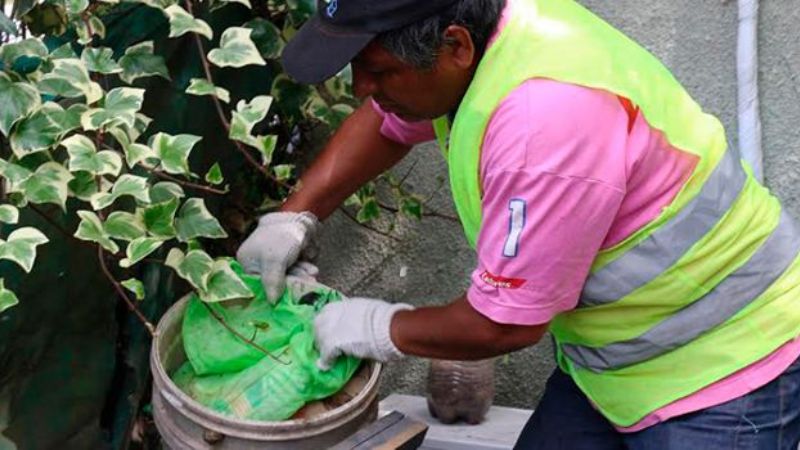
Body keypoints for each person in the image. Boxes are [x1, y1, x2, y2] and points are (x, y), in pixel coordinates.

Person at [235, 0, 800, 448]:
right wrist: (294, 216)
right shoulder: (495, 30)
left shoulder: (545, 125)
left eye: (378, 69)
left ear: (454, 45)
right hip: (612, 370)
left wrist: (379, 326)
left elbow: (505, 326)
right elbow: (385, 124)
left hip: (728, 372)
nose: (361, 87)